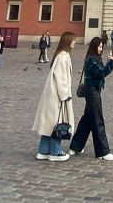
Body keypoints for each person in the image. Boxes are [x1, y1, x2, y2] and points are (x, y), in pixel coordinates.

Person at [69, 37, 113, 160]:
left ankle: (75, 146)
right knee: (97, 120)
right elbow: (102, 73)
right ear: (94, 46)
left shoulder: (93, 58)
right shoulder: (91, 59)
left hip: (94, 90)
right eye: (99, 46)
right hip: (92, 92)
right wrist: (111, 62)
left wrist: (107, 60)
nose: (101, 49)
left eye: (102, 47)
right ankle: (103, 152)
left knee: (87, 120)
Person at [32, 32, 75, 161]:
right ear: (67, 41)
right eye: (73, 40)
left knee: (49, 123)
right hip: (57, 95)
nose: (74, 43)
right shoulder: (63, 57)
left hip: (51, 95)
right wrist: (65, 95)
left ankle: (43, 150)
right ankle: (55, 151)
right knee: (58, 122)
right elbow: (60, 78)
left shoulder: (61, 55)